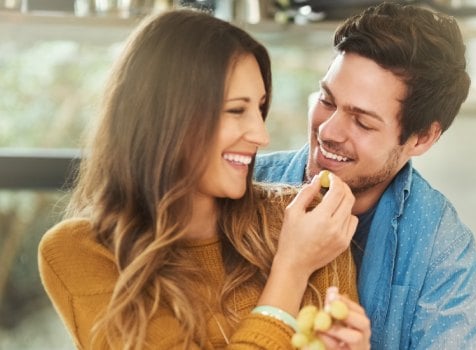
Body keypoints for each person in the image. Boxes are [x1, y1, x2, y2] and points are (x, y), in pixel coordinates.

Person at [38, 9, 370, 349]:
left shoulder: (305, 221)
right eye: (236, 110)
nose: (260, 135)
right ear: (168, 117)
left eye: (260, 108)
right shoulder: (82, 252)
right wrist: (292, 268)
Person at [253, 2, 476, 348]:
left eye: (362, 121)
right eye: (326, 100)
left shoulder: (441, 249)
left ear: (422, 138)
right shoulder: (245, 189)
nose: (328, 131)